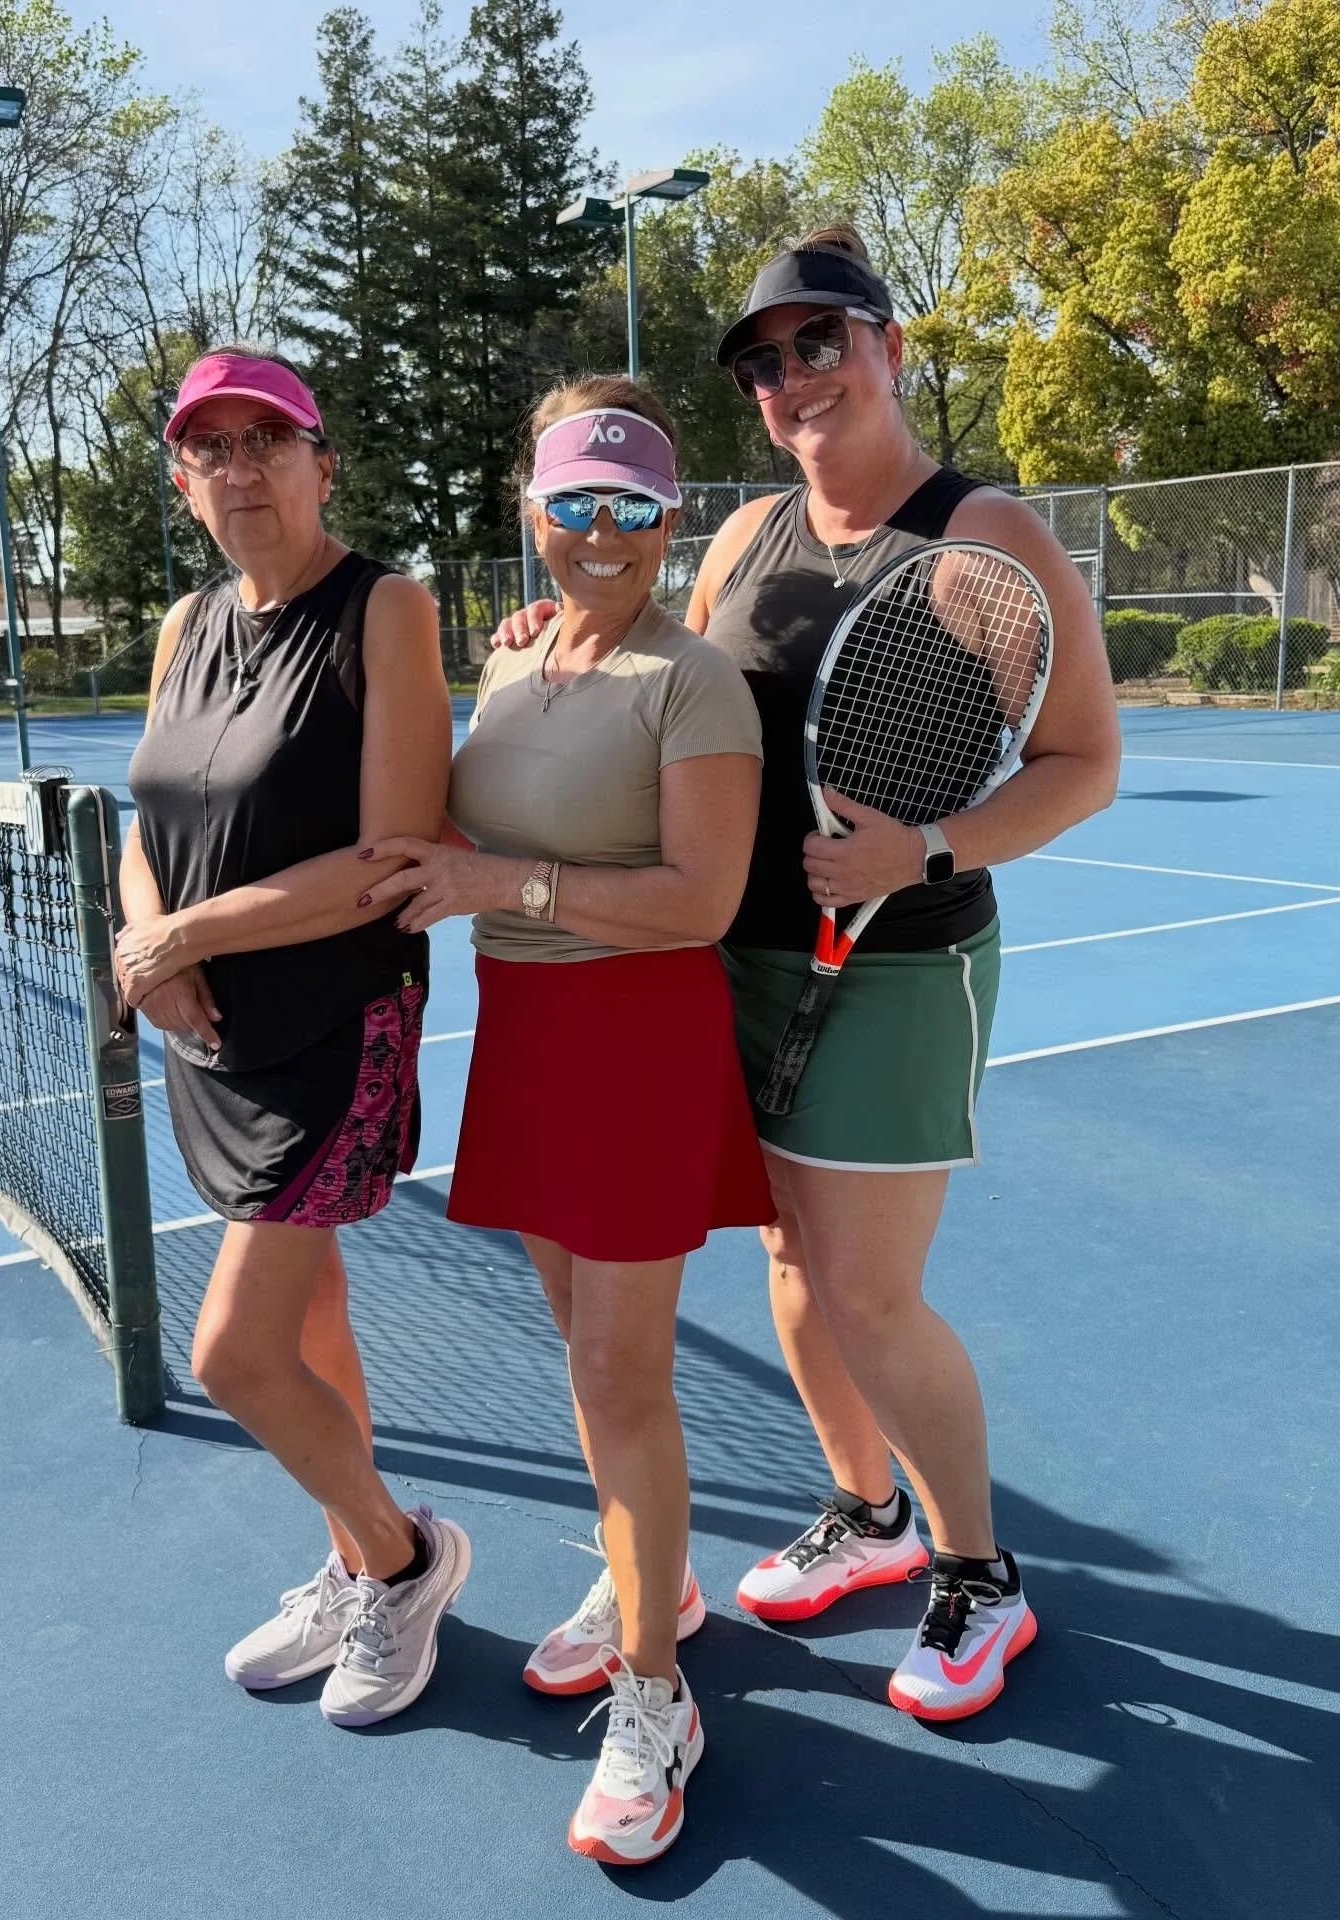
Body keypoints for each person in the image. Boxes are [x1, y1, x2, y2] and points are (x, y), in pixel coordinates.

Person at [492, 230, 1121, 1721]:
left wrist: (934, 851)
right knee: (787, 1267)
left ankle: (977, 1572)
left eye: (818, 342)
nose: (791, 378)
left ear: (888, 345)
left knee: (866, 1286)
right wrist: (564, 628)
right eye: (763, 362)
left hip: (900, 968)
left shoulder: (989, 539)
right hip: (745, 957)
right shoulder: (745, 537)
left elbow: (1085, 763)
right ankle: (872, 1512)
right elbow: (676, 686)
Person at [355, 376, 772, 1863]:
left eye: (635, 509)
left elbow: (701, 903)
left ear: (670, 521)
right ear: (533, 516)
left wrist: (501, 889)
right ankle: (645, 1577)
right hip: (526, 1041)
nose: (604, 534)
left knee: (619, 1371)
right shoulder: (517, 663)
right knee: (585, 1363)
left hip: (641, 1041)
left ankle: (660, 1698)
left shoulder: (695, 678)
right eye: (576, 506)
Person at [115, 345, 468, 1729]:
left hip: (336, 1029)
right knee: (311, 1324)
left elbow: (393, 860)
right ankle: (349, 1557)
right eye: (214, 446)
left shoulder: (384, 609)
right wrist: (149, 950)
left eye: (271, 440)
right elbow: (147, 834)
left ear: (323, 461)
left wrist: (184, 941)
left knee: (236, 1358)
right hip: (208, 1035)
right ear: (184, 474)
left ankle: (403, 1560)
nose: (243, 468)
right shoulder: (184, 624)